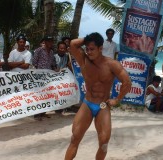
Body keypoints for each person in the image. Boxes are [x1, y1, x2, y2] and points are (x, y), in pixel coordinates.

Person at [65, 32, 131, 160]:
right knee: (75, 138)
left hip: (103, 106)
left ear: (101, 48)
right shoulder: (83, 60)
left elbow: (127, 82)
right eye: (87, 49)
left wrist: (117, 99)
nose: (89, 52)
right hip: (88, 103)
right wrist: (88, 39)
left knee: (104, 143)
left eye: (92, 49)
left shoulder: (111, 64)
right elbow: (73, 43)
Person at [32, 35, 57, 120]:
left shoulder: (51, 52)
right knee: (39, 95)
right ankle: (36, 114)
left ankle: (43, 112)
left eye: (51, 41)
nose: (50, 43)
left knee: (46, 95)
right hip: (39, 77)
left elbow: (53, 63)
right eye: (48, 41)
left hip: (48, 77)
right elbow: (34, 62)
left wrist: (55, 69)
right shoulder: (39, 50)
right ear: (45, 42)